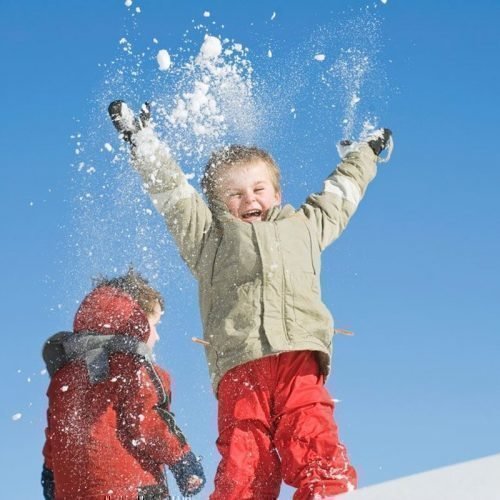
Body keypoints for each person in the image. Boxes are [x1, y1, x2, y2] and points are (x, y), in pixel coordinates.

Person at [108, 100, 393, 499]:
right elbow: (173, 195)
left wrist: (364, 153)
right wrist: (143, 142)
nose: (249, 199)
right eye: (234, 194)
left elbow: (340, 193)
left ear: (276, 193)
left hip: (298, 360)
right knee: (246, 461)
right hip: (240, 369)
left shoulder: (305, 226)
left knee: (313, 437)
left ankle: (328, 493)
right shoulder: (209, 240)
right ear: (216, 206)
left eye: (258, 189)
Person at [41, 268, 206, 499]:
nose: (156, 336)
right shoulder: (134, 367)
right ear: (134, 319)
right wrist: (182, 459)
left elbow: (57, 433)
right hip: (132, 490)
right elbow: (148, 420)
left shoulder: (65, 376)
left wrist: (50, 474)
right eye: (154, 324)